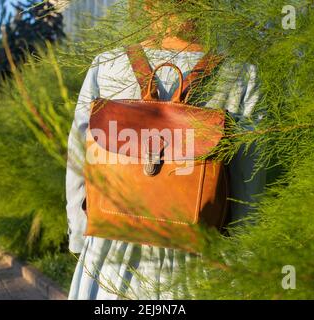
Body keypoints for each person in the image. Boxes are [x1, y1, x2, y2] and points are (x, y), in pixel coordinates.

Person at [65, 2, 266, 300]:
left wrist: (81, 236)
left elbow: (80, 161)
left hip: (110, 255)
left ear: (144, 5)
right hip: (200, 263)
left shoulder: (105, 66)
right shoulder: (242, 74)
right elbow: (249, 184)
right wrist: (244, 257)